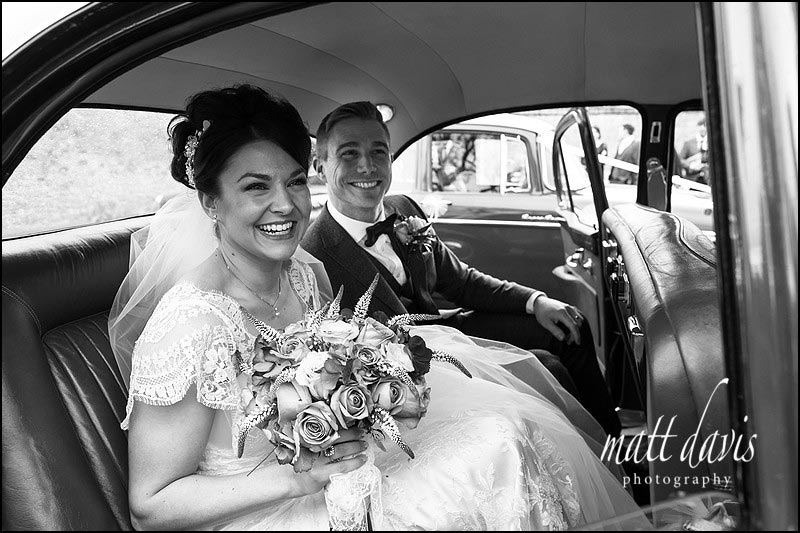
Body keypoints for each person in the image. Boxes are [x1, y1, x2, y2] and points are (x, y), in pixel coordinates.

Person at [108, 85, 648, 530]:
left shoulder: (305, 273)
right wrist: (297, 478)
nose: (284, 204)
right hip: (261, 508)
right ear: (210, 203)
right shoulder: (191, 323)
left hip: (341, 472)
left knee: (505, 436)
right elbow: (150, 506)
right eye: (256, 187)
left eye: (295, 182)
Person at [302, 101, 621, 438]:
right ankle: (590, 455)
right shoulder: (315, 253)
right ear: (320, 167)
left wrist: (536, 302)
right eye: (349, 154)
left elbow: (462, 281)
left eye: (378, 151)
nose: (367, 166)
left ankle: (621, 458)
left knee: (570, 328)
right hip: (410, 372)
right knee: (548, 366)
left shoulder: (404, 208)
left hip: (449, 328)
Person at [678, 118, 709, 185]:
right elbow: (680, 160)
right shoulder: (688, 143)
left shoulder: (712, 143)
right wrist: (690, 166)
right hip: (692, 179)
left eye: (705, 126)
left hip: (708, 180)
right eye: (701, 126)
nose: (703, 128)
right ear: (698, 127)